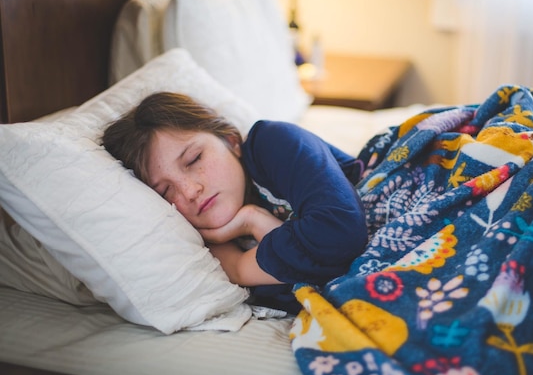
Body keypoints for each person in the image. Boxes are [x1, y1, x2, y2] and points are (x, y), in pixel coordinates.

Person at [102, 92, 368, 313]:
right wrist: (241, 264)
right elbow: (313, 280)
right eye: (165, 192)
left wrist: (253, 223)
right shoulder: (202, 242)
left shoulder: (273, 143)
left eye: (194, 159)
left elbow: (342, 236)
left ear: (231, 141)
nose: (190, 191)